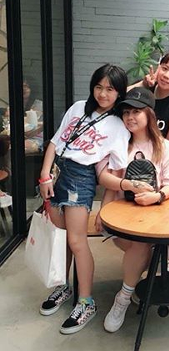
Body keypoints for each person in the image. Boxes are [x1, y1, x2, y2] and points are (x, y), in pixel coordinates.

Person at [38, 64, 131, 334]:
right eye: (99, 87)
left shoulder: (118, 125)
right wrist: (44, 176)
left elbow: (116, 170)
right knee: (62, 237)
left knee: (77, 242)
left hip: (81, 178)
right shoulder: (78, 107)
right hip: (58, 173)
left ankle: (86, 302)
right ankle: (64, 286)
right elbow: (55, 142)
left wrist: (106, 207)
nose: (103, 94)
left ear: (119, 92)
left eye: (110, 89)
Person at [95, 86, 169, 333]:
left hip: (155, 217)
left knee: (142, 245)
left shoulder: (164, 146)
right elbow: (108, 181)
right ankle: (135, 287)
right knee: (141, 247)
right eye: (126, 112)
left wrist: (156, 196)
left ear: (149, 114)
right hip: (122, 216)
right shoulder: (119, 144)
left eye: (136, 112)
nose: (130, 117)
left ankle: (124, 296)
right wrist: (103, 210)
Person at [129, 51, 169, 277]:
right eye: (164, 68)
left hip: (165, 163)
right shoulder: (145, 93)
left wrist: (159, 170)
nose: (166, 75)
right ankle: (148, 252)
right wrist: (143, 83)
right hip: (139, 162)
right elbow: (118, 97)